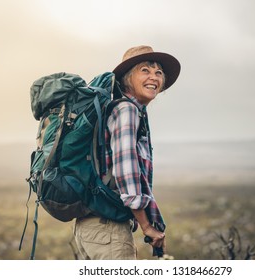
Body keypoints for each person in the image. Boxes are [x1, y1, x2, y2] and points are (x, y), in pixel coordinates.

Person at [73, 45, 181, 259]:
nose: (154, 77)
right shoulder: (127, 110)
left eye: (159, 73)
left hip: (92, 227)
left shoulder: (121, 110)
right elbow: (126, 171)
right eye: (145, 70)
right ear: (126, 79)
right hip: (108, 229)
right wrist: (146, 227)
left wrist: (154, 223)